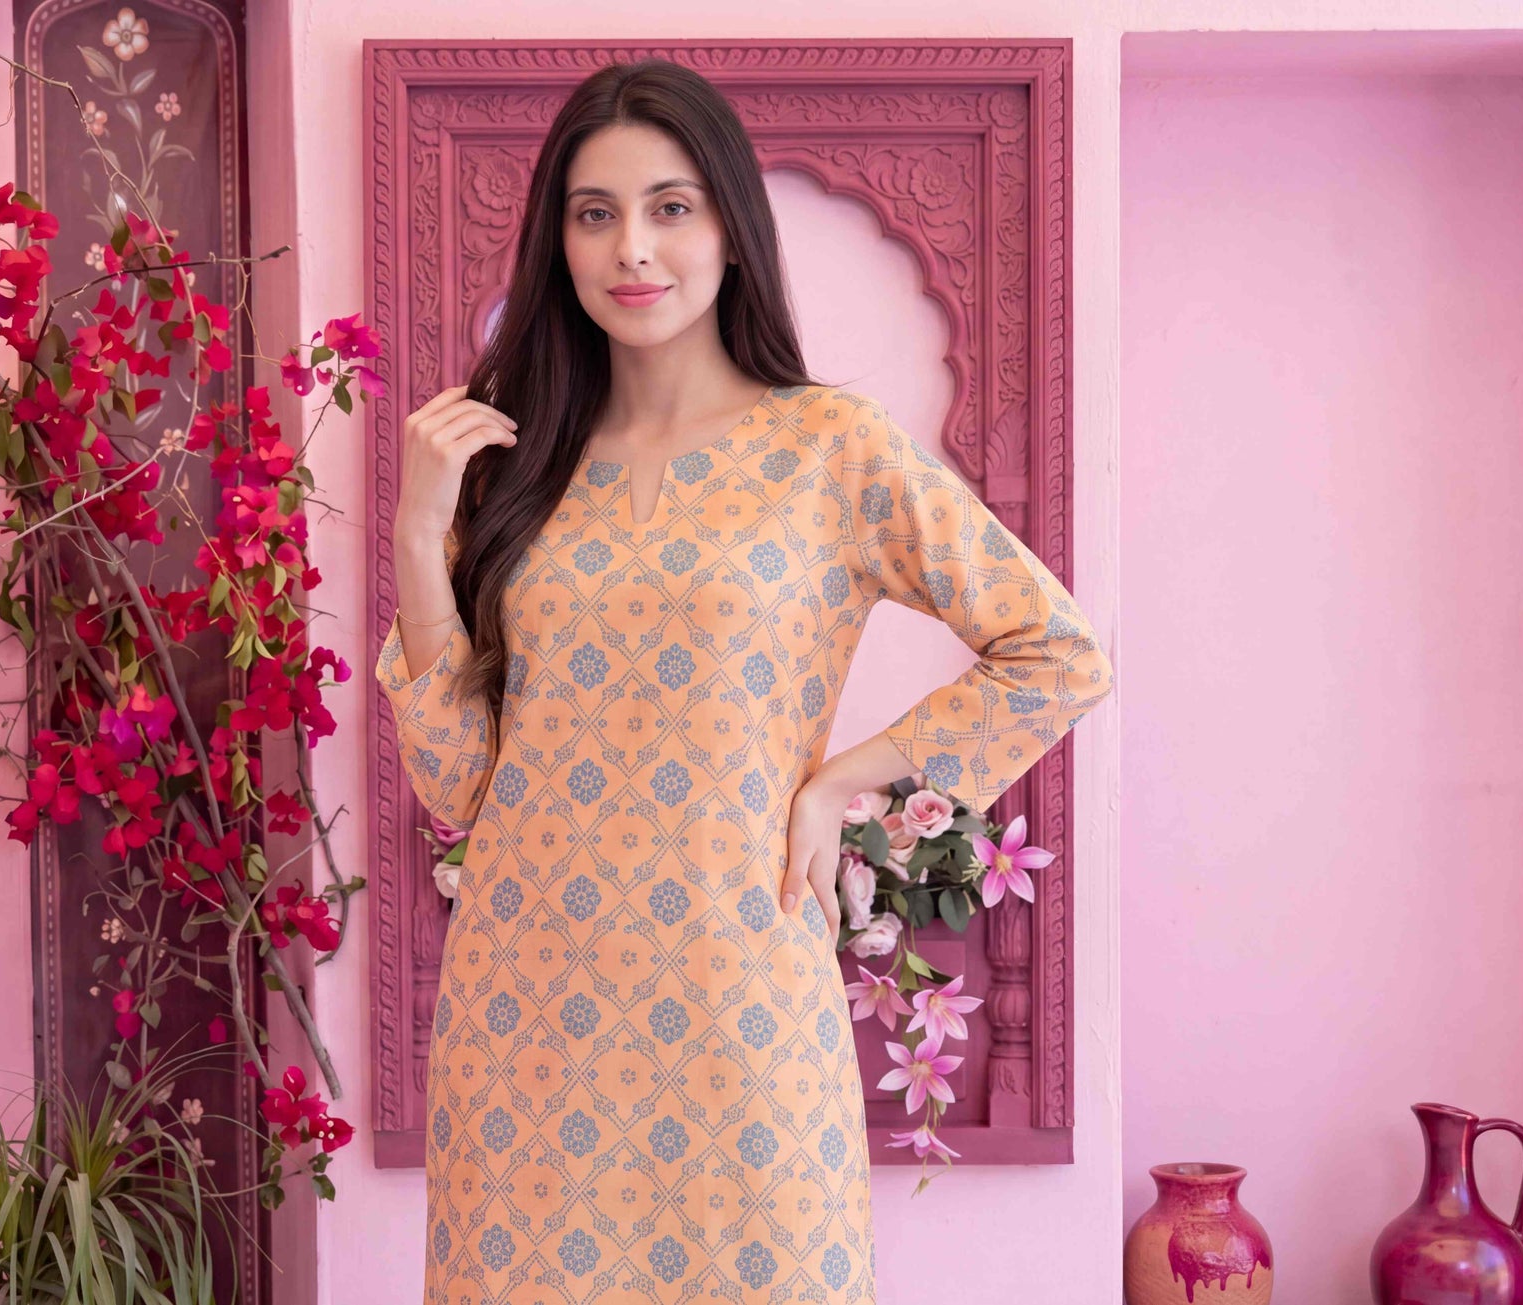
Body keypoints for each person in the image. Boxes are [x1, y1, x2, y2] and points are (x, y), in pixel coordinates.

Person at [374, 57, 1115, 1304]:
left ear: (729, 226)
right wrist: (415, 532)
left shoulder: (828, 447)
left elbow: (1056, 655)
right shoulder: (510, 466)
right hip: (524, 1018)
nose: (632, 247)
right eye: (595, 212)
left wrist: (838, 785)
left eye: (669, 207)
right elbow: (457, 786)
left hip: (739, 996)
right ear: (557, 241)